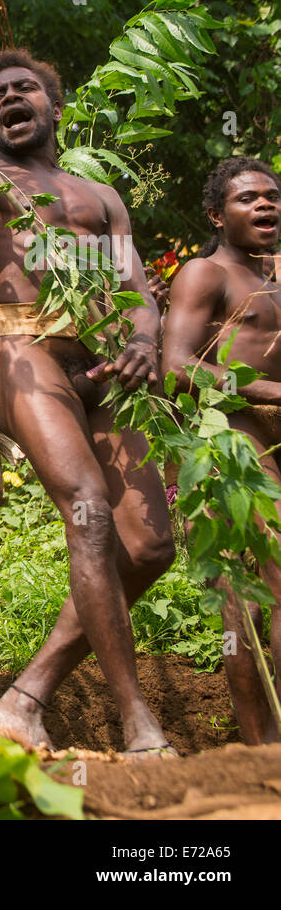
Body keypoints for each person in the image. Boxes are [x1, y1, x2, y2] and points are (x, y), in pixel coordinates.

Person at [0, 50, 176, 756]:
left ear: (55, 108)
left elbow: (139, 291)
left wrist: (146, 340)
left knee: (150, 546)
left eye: (24, 89)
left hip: (109, 364)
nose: (9, 99)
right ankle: (137, 721)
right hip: (23, 351)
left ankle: (28, 694)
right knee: (88, 508)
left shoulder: (101, 195)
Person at [162, 156, 281, 744]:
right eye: (248, 199)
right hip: (227, 443)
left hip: (276, 437)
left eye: (272, 196)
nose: (266, 205)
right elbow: (178, 368)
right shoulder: (204, 275)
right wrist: (268, 392)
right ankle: (262, 749)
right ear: (216, 214)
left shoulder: (278, 276)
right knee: (249, 598)